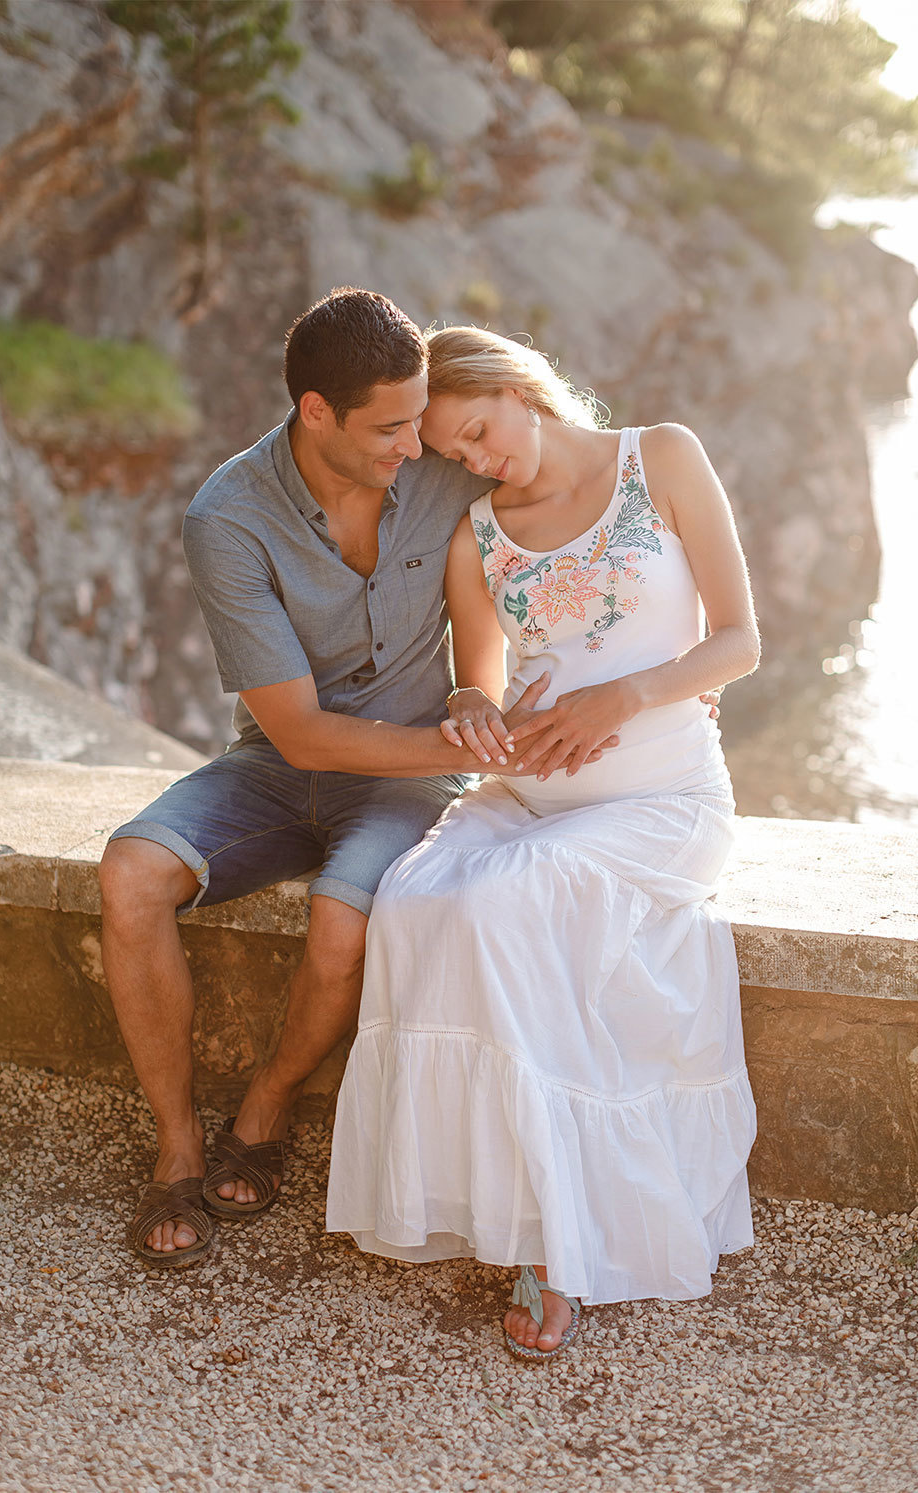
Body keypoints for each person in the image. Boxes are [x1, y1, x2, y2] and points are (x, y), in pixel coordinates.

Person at [324, 326, 761, 1361]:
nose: (477, 460)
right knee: (417, 899)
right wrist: (476, 711)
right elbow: (475, 675)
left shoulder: (660, 458)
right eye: (457, 453)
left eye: (478, 430)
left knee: (502, 904)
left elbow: (740, 640)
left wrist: (629, 692)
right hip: (522, 795)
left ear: (519, 388)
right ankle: (492, 1198)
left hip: (659, 799)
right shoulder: (480, 532)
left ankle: (559, 1246)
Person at [99, 288, 509, 1269]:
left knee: (342, 918)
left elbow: (533, 555)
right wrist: (467, 754)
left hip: (403, 783)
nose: (415, 444)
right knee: (128, 872)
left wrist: (503, 695)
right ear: (315, 411)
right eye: (389, 425)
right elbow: (300, 733)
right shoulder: (227, 516)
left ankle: (269, 1101)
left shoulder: (440, 467)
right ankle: (179, 1143)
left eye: (420, 418)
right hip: (283, 765)